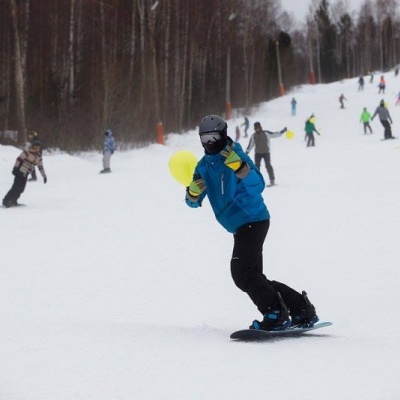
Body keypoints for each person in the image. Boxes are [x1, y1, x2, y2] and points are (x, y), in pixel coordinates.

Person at [185, 114, 319, 331]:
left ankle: (275, 313)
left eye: (213, 137)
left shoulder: (234, 155)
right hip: (239, 225)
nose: (209, 143)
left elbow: (258, 184)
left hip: (253, 219)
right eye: (205, 138)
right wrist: (192, 193)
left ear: (223, 135)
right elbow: (192, 202)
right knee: (255, 277)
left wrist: (241, 169)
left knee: (241, 272)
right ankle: (301, 309)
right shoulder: (203, 166)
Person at [2, 138, 47, 207]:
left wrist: (44, 176)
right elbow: (19, 160)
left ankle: (14, 201)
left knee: (21, 189)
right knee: (15, 187)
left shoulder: (39, 156)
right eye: (34, 147)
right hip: (19, 172)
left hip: (26, 174)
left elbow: (40, 167)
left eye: (37, 147)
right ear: (32, 146)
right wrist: (15, 168)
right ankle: (6, 201)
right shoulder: (27, 152)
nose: (36, 149)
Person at [245, 121, 286, 187]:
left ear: (260, 127)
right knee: (256, 168)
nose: (257, 129)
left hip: (266, 153)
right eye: (255, 128)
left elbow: (275, 134)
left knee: (268, 166)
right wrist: (246, 152)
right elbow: (250, 145)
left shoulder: (266, 133)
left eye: (258, 128)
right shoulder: (254, 136)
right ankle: (257, 182)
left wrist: (282, 131)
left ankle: (272, 180)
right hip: (257, 153)